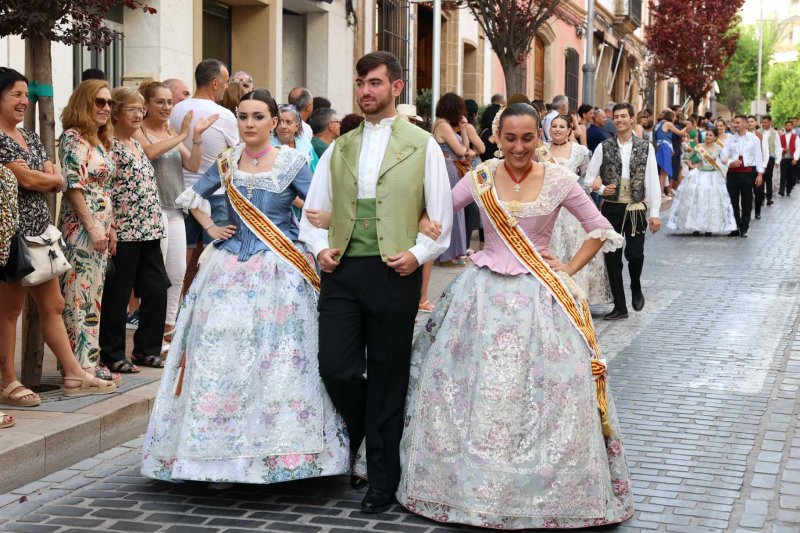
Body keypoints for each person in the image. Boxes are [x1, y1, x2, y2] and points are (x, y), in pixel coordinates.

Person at [395, 103, 631, 528]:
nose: (518, 147)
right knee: (470, 385)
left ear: (538, 138)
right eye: (510, 138)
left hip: (540, 296)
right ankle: (467, 484)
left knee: (542, 391)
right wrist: (423, 224)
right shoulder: (480, 177)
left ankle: (540, 487)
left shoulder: (560, 180)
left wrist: (569, 268)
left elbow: (600, 229)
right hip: (481, 296)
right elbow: (440, 211)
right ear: (497, 137)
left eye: (527, 138)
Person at [141, 88, 349, 484]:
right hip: (227, 269)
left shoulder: (290, 161)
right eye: (243, 116)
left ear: (274, 122)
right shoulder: (225, 161)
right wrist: (211, 227)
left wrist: (323, 226)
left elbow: (318, 205)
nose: (249, 124)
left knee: (280, 357)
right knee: (220, 354)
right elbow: (191, 196)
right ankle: (212, 453)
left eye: (258, 117)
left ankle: (283, 451)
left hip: (280, 271)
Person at [299, 51, 453, 514]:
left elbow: (440, 216)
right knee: (336, 367)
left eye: (375, 83)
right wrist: (318, 245)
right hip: (343, 272)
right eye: (361, 83)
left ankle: (383, 478)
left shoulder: (422, 143)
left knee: (388, 375)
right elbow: (314, 208)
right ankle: (370, 435)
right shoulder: (340, 146)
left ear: (396, 88)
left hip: (394, 271)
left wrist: (417, 254)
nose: (365, 91)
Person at [0, 69, 117, 404]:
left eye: (25, 95)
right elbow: (38, 180)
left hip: (40, 232)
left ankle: (74, 371)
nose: (24, 101)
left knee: (54, 305)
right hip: (9, 234)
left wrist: (43, 176)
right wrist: (44, 177)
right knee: (9, 311)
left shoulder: (31, 138)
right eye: (16, 95)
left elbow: (52, 175)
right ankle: (9, 381)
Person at [135, 81, 218, 355]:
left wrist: (195, 137)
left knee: (178, 271)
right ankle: (153, 332)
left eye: (170, 102)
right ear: (145, 105)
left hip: (174, 209)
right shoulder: (140, 130)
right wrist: (181, 135)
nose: (167, 107)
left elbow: (193, 165)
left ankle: (169, 327)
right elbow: (148, 153)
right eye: (160, 101)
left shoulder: (170, 131)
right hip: (152, 210)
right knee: (156, 278)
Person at [100, 87, 170, 372]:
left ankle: (147, 350)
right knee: (118, 295)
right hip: (124, 231)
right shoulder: (108, 145)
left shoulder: (137, 144)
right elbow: (104, 188)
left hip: (149, 229)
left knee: (157, 288)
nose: (140, 113)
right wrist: (110, 225)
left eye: (142, 109)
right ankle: (113, 353)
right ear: (116, 112)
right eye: (133, 108)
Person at [57, 80, 124, 378]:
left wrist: (110, 229)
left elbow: (106, 189)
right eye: (100, 102)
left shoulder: (99, 140)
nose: (106, 108)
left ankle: (90, 361)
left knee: (94, 296)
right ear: (85, 103)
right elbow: (73, 185)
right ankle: (78, 366)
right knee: (77, 297)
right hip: (80, 229)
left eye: (109, 103)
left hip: (100, 228)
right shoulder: (73, 138)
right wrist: (93, 227)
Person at [585, 102, 662, 320]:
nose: (619, 120)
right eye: (616, 117)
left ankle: (636, 285)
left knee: (635, 254)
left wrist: (654, 213)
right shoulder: (603, 147)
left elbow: (652, 181)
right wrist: (600, 188)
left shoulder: (645, 147)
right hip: (611, 208)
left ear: (632, 119)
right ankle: (620, 306)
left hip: (636, 209)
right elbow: (589, 179)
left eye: (623, 116)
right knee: (612, 258)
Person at [169, 59, 238, 301]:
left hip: (181, 192)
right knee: (215, 261)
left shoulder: (176, 109)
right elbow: (237, 152)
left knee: (180, 262)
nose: (227, 88)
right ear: (215, 83)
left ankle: (175, 314)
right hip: (215, 195)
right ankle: (209, 308)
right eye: (226, 82)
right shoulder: (224, 115)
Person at [544, 114, 612, 306]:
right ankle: (551, 293)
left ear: (569, 130)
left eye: (561, 126)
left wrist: (598, 185)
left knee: (574, 247)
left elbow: (588, 178)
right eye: (554, 126)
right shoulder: (541, 151)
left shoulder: (580, 152)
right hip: (547, 206)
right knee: (553, 248)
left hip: (573, 208)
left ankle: (575, 295)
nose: (557, 129)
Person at [667, 127, 737, 235]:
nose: (708, 137)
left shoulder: (719, 148)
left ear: (715, 138)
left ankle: (709, 227)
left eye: (710, 135)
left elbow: (724, 160)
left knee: (712, 201)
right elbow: (686, 157)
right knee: (698, 200)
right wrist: (692, 165)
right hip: (699, 175)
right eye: (707, 135)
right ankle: (696, 226)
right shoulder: (699, 147)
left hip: (714, 176)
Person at [432, 92, 474, 266]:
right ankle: (447, 255)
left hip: (450, 168)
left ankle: (454, 252)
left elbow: (465, 147)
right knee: (451, 209)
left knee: (454, 210)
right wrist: (466, 150)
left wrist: (463, 129)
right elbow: (461, 150)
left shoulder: (444, 125)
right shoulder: (443, 125)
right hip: (448, 168)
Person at [720, 115, 764, 238]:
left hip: (748, 173)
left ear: (745, 124)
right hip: (733, 173)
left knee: (747, 200)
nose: (735, 125)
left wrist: (760, 174)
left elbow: (758, 157)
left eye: (738, 122)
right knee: (732, 200)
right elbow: (723, 156)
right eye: (734, 122)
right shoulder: (729, 139)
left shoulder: (754, 139)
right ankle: (735, 227)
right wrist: (730, 163)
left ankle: (744, 227)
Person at [654, 109, 689, 199]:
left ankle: (659, 192)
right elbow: (680, 133)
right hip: (664, 147)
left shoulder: (658, 124)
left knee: (661, 172)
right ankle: (660, 193)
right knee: (664, 172)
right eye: (674, 117)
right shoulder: (668, 124)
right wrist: (687, 127)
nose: (675, 119)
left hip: (659, 147)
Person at [274, 104, 319, 171]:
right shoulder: (269, 145)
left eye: (288, 122)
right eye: (279, 122)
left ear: (297, 126)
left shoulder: (304, 141)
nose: (283, 126)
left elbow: (316, 168)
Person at [758, 115, 780, 212]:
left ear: (770, 122)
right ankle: (761, 198)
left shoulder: (775, 133)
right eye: (763, 122)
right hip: (760, 157)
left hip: (770, 157)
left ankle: (769, 198)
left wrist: (777, 160)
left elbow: (778, 147)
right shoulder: (758, 132)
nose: (764, 124)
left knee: (768, 177)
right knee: (761, 177)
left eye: (766, 122)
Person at [779, 119, 799, 198]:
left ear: (792, 126)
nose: (788, 127)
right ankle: (781, 190)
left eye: (790, 125)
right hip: (783, 158)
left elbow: (798, 148)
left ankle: (789, 189)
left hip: (792, 159)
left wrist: (795, 158)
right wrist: (783, 149)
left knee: (791, 176)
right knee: (783, 175)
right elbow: (778, 147)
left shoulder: (796, 137)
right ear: (785, 127)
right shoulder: (781, 137)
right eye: (787, 125)